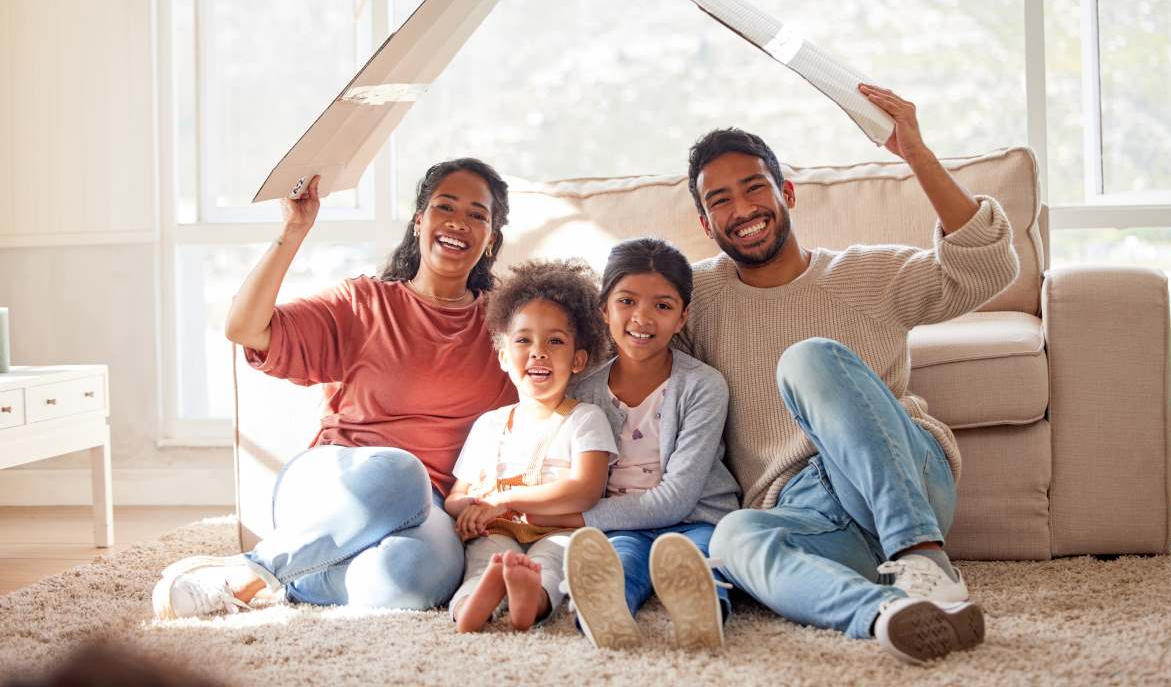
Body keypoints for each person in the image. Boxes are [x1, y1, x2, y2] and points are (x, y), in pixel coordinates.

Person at [682, 84, 1019, 664]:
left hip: (903, 477)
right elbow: (615, 329)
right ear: (706, 223)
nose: (741, 210)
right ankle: (887, 613)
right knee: (735, 535)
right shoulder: (695, 296)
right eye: (719, 201)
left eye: (754, 187)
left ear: (786, 193)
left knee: (809, 357)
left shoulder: (868, 274)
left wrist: (915, 152)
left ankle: (923, 559)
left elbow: (988, 266)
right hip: (807, 513)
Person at [152, 159, 518, 619]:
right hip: (335, 481)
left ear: (491, 241)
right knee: (404, 472)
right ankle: (246, 576)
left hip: (431, 509)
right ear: (419, 221)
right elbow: (244, 328)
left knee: (421, 579)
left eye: (477, 215)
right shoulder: (363, 302)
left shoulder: (509, 331)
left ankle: (295, 579)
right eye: (444, 207)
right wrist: (293, 231)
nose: (458, 223)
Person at [525, 238, 740, 650]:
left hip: (696, 519)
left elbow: (677, 498)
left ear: (682, 318)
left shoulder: (703, 386)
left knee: (696, 563)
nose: (642, 317)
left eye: (662, 306)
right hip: (621, 526)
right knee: (616, 566)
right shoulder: (582, 391)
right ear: (604, 309)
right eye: (627, 301)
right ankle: (604, 614)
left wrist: (575, 520)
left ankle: (702, 617)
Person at [445, 259, 617, 632]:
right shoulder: (489, 425)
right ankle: (471, 606)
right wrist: (471, 508)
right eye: (524, 340)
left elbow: (585, 491)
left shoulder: (585, 419)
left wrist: (504, 500)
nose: (538, 351)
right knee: (482, 564)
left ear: (578, 360)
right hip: (497, 529)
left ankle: (531, 602)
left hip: (558, 530)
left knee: (551, 567)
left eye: (555, 341)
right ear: (505, 357)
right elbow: (455, 495)